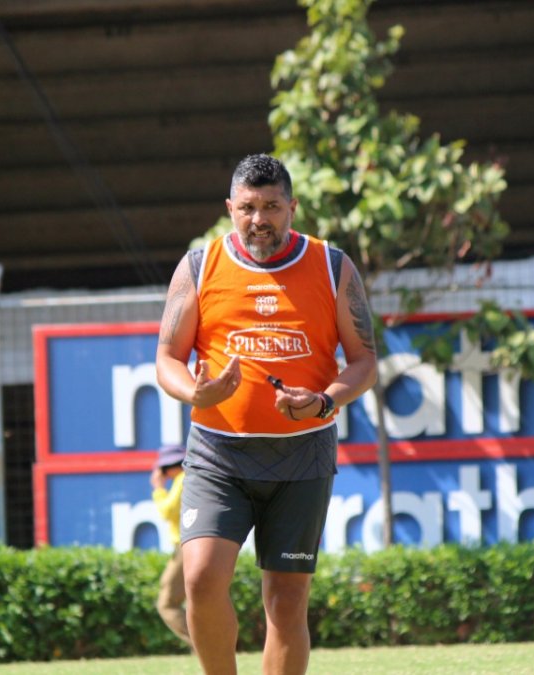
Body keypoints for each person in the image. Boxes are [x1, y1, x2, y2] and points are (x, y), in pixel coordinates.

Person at [155, 153, 378, 675]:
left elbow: (365, 361)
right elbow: (167, 358)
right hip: (218, 453)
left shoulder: (332, 265)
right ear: (230, 208)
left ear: (292, 208)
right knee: (201, 580)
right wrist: (197, 394)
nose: (260, 219)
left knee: (285, 602)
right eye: (249, 207)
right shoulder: (199, 266)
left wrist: (325, 400)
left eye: (272, 206)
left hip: (303, 453)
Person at [151, 443, 192, 647]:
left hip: (186, 546)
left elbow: (167, 511)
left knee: (167, 604)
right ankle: (206, 644)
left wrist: (158, 489)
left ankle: (203, 645)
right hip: (186, 545)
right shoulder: (186, 477)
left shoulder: (183, 479)